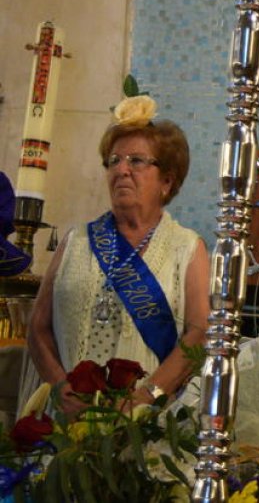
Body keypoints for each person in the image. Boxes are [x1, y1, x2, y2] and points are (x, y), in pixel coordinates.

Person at [28, 95, 210, 414]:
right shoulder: (76, 241)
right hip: (67, 421)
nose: (122, 170)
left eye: (136, 161)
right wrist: (60, 387)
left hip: (145, 424)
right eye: (114, 161)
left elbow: (199, 333)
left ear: (166, 181)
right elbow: (38, 326)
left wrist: (146, 396)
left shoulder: (187, 247)